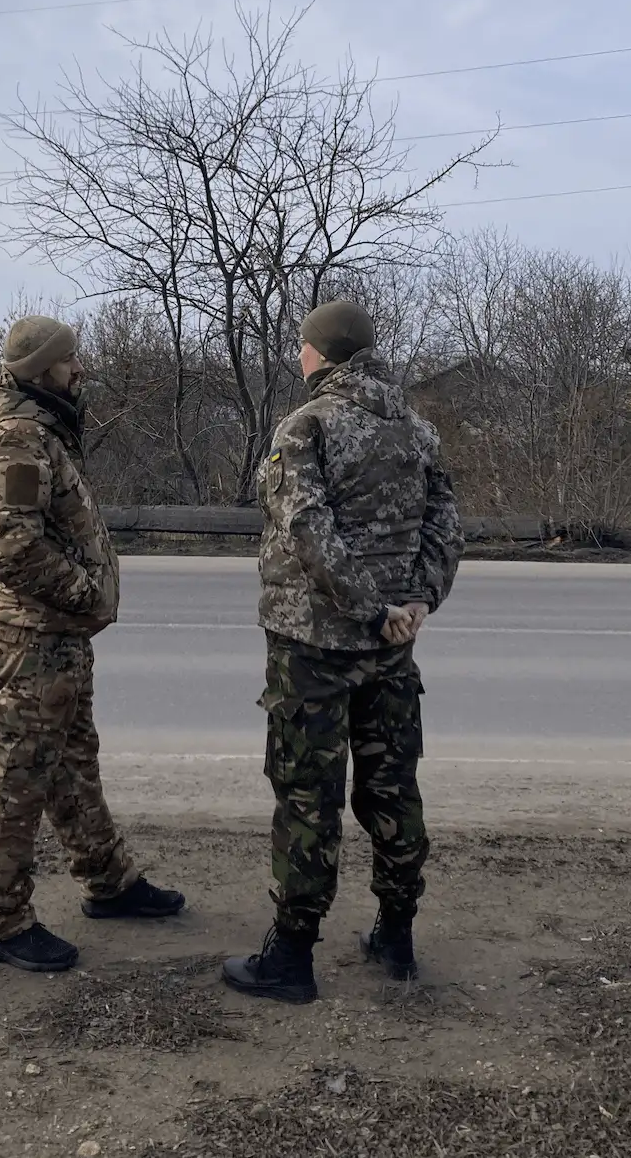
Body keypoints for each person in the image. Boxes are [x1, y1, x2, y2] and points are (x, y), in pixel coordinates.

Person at [222, 300, 463, 1004]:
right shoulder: (417, 430)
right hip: (391, 649)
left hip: (314, 647)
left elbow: (306, 529)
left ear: (319, 355)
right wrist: (416, 604)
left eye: (302, 347)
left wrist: (373, 608)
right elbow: (446, 525)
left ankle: (291, 956)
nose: (298, 357)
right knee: (393, 788)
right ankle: (397, 935)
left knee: (307, 795)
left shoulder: (307, 427)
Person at [0, 315, 185, 972]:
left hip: (57, 634)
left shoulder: (45, 425)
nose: (79, 369)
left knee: (70, 761)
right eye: (70, 360)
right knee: (17, 773)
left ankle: (108, 880)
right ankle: (0, 920)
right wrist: (86, 592)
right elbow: (11, 544)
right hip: (35, 633)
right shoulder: (19, 435)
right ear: (41, 368)